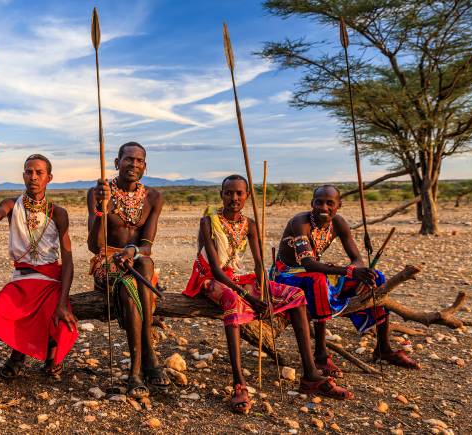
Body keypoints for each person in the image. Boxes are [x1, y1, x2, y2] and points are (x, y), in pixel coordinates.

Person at [183, 175, 352, 412]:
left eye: (239, 193)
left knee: (294, 295)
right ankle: (239, 384)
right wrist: (250, 297)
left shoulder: (250, 224)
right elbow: (214, 269)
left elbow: (259, 265)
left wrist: (264, 290)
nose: (234, 198)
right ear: (221, 195)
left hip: (239, 277)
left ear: (247, 196)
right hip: (211, 278)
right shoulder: (208, 222)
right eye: (229, 193)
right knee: (233, 300)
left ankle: (311, 375)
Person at [272, 185, 420, 380]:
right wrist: (350, 271)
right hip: (287, 275)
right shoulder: (301, 223)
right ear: (312, 204)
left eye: (330, 203)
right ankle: (321, 355)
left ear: (339, 205)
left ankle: (383, 348)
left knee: (377, 278)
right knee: (318, 281)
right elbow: (308, 264)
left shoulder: (339, 223)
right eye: (319, 202)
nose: (324, 207)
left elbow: (357, 259)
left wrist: (358, 273)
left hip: (316, 270)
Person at [0, 137, 78, 380]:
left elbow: (68, 260)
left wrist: (64, 301)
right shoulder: (13, 205)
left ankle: (42, 356)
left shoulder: (59, 213)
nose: (33, 177)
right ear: (23, 176)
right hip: (22, 280)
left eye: (39, 173)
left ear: (49, 178)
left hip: (50, 280)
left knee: (57, 316)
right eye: (29, 172)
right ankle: (22, 355)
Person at [87, 141, 170, 398]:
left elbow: (146, 245)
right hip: (107, 260)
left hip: (137, 261)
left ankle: (137, 369)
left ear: (145, 166)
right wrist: (102, 211)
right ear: (116, 162)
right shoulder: (98, 192)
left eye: (139, 161)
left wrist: (132, 252)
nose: (134, 164)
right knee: (126, 285)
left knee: (143, 265)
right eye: (128, 159)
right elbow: (94, 246)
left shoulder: (154, 197)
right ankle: (145, 361)